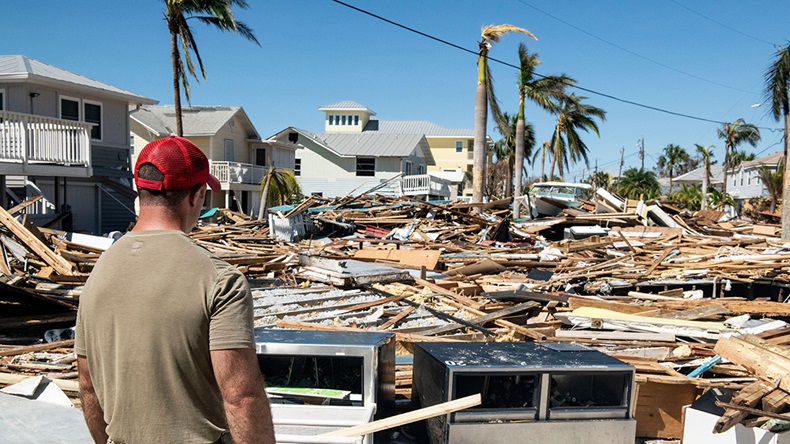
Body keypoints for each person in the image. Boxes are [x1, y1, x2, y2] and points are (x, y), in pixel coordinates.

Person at [75, 136, 275, 444]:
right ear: (196, 196)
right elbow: (241, 397)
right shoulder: (220, 279)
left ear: (141, 191)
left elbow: (88, 388)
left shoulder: (98, 274)